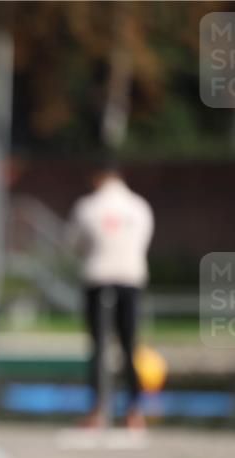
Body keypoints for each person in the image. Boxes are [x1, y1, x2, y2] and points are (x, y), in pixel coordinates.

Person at [68, 167, 154, 429]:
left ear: (97, 180)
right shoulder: (139, 207)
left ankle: (97, 410)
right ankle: (134, 411)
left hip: (97, 277)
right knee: (129, 345)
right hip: (130, 278)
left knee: (98, 347)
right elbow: (144, 241)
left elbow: (74, 242)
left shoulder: (87, 207)